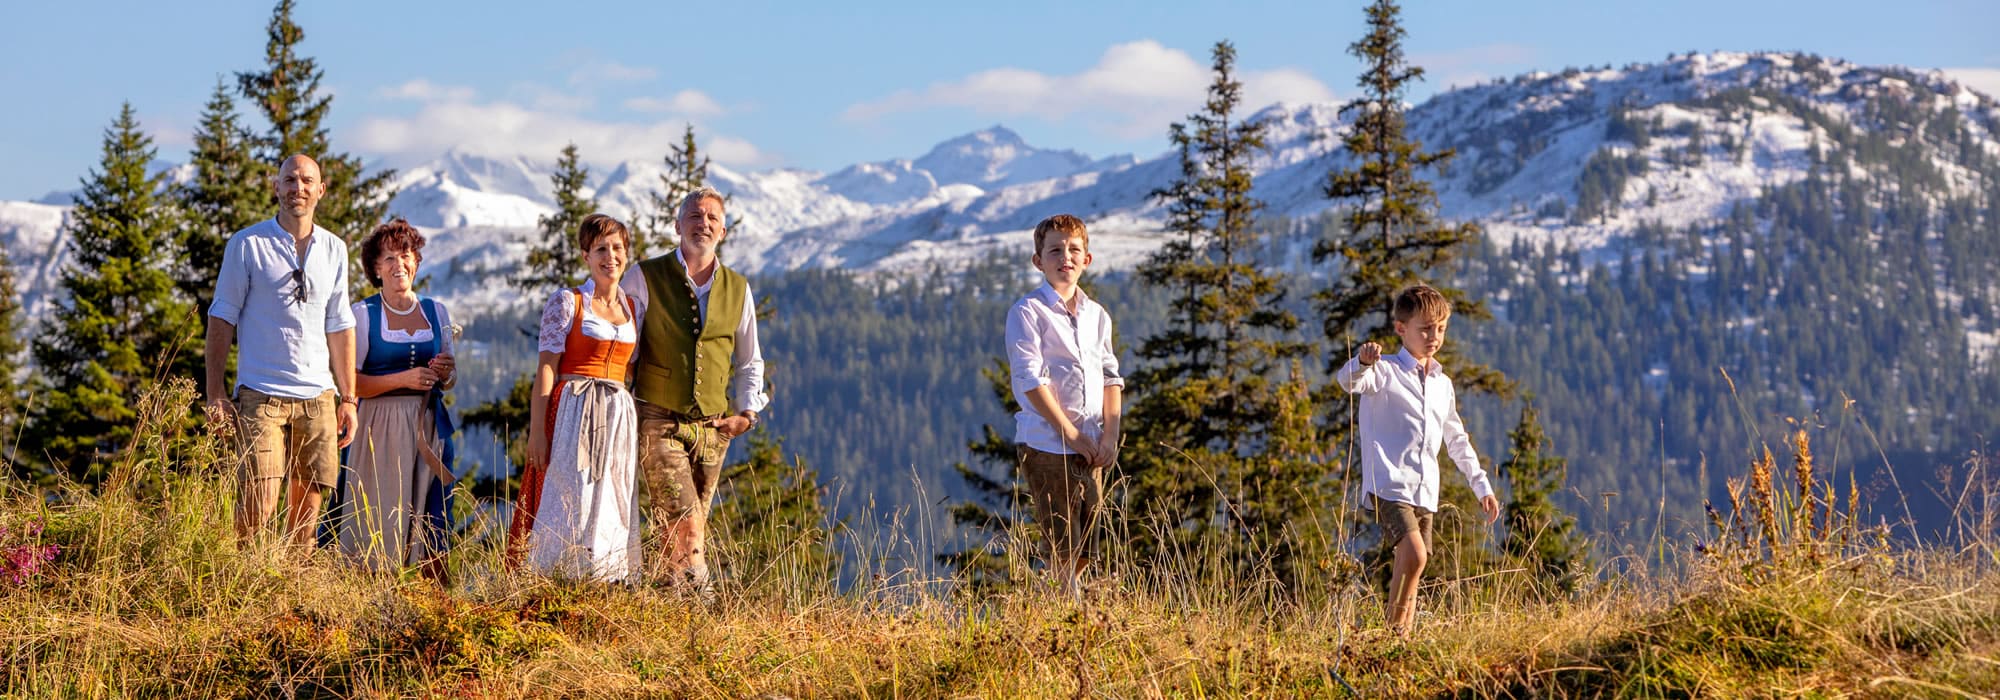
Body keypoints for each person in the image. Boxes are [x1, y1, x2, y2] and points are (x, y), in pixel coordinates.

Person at [619, 187, 768, 590]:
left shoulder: (738, 288)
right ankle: (698, 607)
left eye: (712, 219)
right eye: (695, 216)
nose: (703, 224)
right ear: (677, 225)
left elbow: (749, 359)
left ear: (723, 231)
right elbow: (620, 340)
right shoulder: (643, 276)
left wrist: (746, 415)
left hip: (714, 427)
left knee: (686, 529)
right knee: (685, 523)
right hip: (658, 419)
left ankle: (664, 606)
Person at [205, 154, 357, 548]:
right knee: (259, 504)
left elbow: (340, 325)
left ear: (321, 190)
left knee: (307, 515)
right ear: (276, 187)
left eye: (307, 181)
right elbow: (222, 318)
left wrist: (349, 398)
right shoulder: (247, 244)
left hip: (318, 398)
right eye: (290, 180)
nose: (298, 188)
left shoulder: (334, 249)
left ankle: (293, 597)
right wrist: (216, 393)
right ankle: (241, 588)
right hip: (260, 394)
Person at [1334, 284, 1501, 635]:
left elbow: (1456, 439)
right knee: (1415, 555)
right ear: (1401, 328)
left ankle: (1401, 639)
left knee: (1413, 565)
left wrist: (1481, 485)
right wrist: (1362, 361)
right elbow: (1348, 382)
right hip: (1389, 484)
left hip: (1425, 491)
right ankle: (1391, 637)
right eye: (1425, 328)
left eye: (1440, 328)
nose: (1433, 336)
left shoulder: (1443, 384)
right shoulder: (1385, 371)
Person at [508, 214, 643, 581]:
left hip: (616, 415)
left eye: (617, 248)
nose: (610, 257)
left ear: (626, 254)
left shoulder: (632, 309)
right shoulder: (568, 302)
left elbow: (630, 369)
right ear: (585, 255)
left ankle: (607, 578)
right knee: (571, 493)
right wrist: (538, 430)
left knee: (613, 495)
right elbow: (547, 367)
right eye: (601, 249)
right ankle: (555, 577)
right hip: (573, 409)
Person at [1004, 214, 1123, 595]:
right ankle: (1066, 618)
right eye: (1055, 250)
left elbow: (1110, 377)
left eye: (1074, 250)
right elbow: (1030, 380)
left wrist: (1110, 437)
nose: (1065, 257)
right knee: (1062, 541)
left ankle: (1061, 604)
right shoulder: (1028, 312)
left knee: (1087, 541)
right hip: (1047, 443)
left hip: (1091, 446)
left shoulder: (1097, 316)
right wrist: (1068, 433)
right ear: (1038, 261)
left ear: (1087, 259)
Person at [333, 219, 458, 578]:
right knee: (380, 512)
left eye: (405, 255)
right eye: (387, 258)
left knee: (431, 513)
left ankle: (429, 601)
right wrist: (402, 379)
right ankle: (369, 594)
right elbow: (350, 383)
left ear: (416, 261)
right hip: (378, 426)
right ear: (375, 268)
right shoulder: (364, 315)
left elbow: (450, 380)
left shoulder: (436, 312)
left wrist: (446, 372)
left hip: (427, 424)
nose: (398, 264)